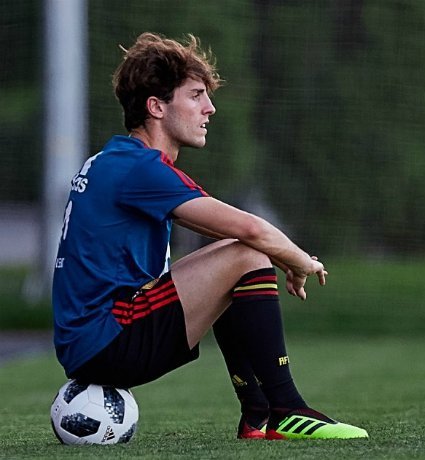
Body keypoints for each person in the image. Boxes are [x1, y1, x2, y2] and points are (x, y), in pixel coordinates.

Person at [51, 32, 367, 441]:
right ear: (156, 107)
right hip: (110, 339)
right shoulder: (138, 169)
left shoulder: (118, 160)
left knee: (236, 257)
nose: (210, 108)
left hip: (95, 340)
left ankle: (258, 414)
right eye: (196, 95)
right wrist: (300, 260)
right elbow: (251, 229)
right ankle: (285, 409)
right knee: (247, 254)